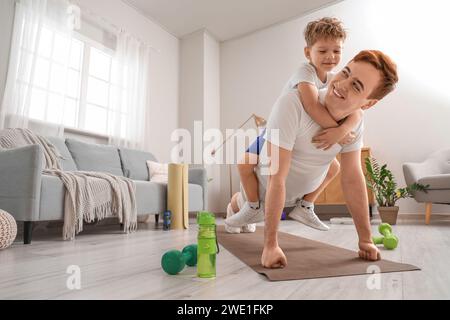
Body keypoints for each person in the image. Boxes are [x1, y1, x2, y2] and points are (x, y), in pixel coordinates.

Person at [226, 50, 399, 267]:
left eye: (356, 86)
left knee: (334, 167)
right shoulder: (293, 103)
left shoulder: (355, 123)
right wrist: (270, 245)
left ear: (368, 103)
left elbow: (353, 178)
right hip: (265, 194)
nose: (342, 84)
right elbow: (276, 177)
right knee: (242, 204)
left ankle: (305, 207)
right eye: (345, 72)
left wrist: (365, 240)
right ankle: (233, 206)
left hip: (296, 197)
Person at [229, 18, 362, 232]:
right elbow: (310, 105)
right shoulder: (305, 72)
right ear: (308, 52)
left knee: (333, 168)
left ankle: (306, 205)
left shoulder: (335, 78)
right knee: (244, 164)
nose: (330, 57)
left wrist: (343, 129)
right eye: (322, 51)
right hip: (277, 131)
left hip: (304, 133)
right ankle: (252, 206)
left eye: (336, 51)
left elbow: (357, 112)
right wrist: (337, 130)